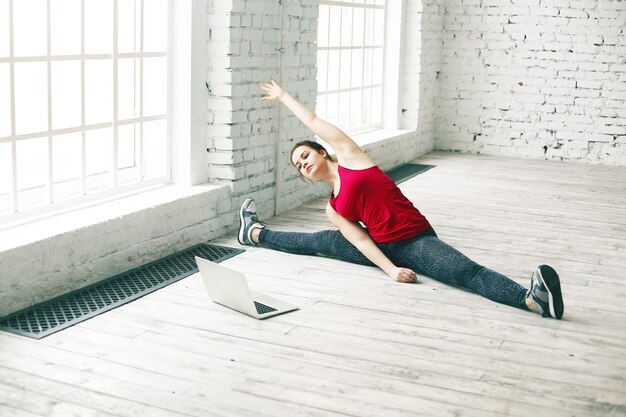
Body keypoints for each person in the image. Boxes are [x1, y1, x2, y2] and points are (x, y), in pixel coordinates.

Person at [237, 80, 564, 319]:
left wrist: (283, 97)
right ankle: (254, 233)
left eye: (305, 155)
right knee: (317, 240)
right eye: (298, 166)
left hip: (413, 241)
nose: (303, 163)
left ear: (323, 151)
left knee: (466, 272)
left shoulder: (351, 157)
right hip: (384, 248)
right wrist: (391, 270)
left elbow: (313, 122)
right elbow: (363, 242)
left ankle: (530, 300)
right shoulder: (333, 208)